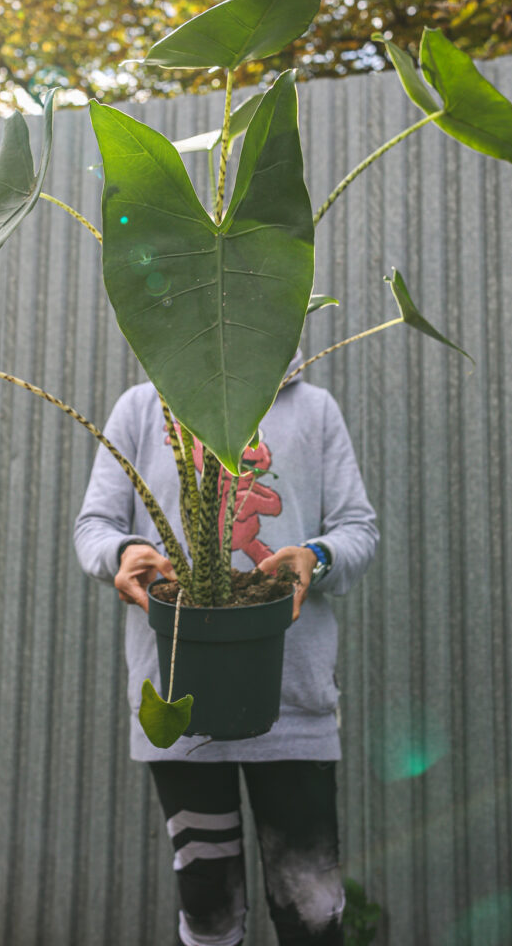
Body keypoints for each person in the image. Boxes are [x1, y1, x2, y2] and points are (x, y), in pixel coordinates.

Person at [74, 351, 378, 946]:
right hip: (181, 703)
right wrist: (125, 553)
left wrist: (315, 557)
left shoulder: (313, 410)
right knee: (208, 909)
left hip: (294, 704)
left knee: (312, 912)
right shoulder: (143, 407)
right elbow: (95, 525)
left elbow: (357, 527)